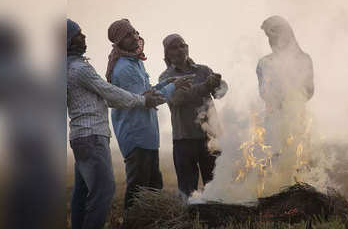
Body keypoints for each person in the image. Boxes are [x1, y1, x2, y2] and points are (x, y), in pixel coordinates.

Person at [67, 19, 166, 229]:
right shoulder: (80, 68)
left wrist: (149, 95)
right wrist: (144, 100)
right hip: (93, 135)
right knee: (104, 190)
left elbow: (109, 97)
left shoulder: (70, 68)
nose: (83, 37)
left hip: (83, 136)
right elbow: (110, 93)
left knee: (82, 193)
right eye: (77, 34)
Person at [106, 19, 192, 213]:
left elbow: (146, 92)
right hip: (136, 134)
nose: (135, 37)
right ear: (119, 41)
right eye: (128, 35)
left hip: (146, 135)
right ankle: (131, 223)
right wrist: (173, 86)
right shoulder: (125, 68)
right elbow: (147, 100)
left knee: (153, 187)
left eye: (135, 32)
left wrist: (167, 83)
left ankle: (149, 223)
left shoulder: (134, 62)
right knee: (139, 190)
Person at [159, 33, 228, 199]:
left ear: (187, 47)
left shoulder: (203, 70)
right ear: (167, 54)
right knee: (188, 192)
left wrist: (220, 83)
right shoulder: (166, 78)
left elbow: (220, 93)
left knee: (216, 187)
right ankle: (190, 221)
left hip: (210, 138)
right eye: (174, 47)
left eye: (182, 45)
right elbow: (177, 99)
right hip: (184, 140)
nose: (180, 50)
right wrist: (206, 85)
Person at [256, 16, 314, 154]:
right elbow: (263, 92)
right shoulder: (264, 62)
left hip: (296, 120)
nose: (271, 40)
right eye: (268, 36)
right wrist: (276, 100)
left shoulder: (303, 59)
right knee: (273, 162)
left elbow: (309, 90)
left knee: (296, 162)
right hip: (273, 121)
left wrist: (290, 100)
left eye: (273, 34)